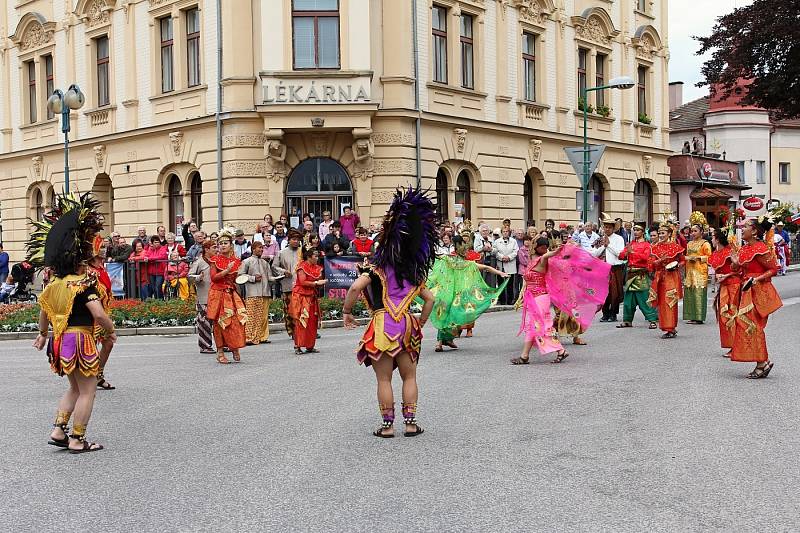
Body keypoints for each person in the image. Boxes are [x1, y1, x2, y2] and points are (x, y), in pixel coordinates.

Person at [343, 187, 436, 438]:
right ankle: (411, 424)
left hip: (382, 325)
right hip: (407, 325)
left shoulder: (374, 269)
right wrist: (421, 322)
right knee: (409, 376)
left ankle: (387, 427)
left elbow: (354, 287)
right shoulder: (414, 274)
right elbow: (430, 300)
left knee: (383, 380)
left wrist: (346, 311)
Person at [29, 192, 114, 453]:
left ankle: (58, 430)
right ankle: (77, 439)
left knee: (75, 388)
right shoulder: (83, 284)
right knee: (88, 391)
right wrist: (110, 330)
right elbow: (98, 313)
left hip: (59, 339)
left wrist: (43, 334)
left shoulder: (54, 284)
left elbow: (44, 310)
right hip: (79, 338)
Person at [427, 235, 510, 352]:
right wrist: (501, 273)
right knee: (455, 316)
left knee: (445, 316)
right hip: (458, 296)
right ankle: (445, 341)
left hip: (445, 293)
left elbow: (434, 262)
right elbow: (486, 267)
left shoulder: (447, 259)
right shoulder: (467, 264)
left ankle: (441, 342)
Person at [728, 217, 782, 378]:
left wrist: (756, 279)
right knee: (746, 324)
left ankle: (762, 363)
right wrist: (736, 263)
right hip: (745, 290)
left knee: (753, 325)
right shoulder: (744, 249)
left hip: (758, 291)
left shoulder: (761, 248)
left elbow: (773, 269)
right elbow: (737, 269)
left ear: (754, 231)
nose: (742, 229)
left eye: (745, 226)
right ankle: (763, 361)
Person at [511, 238, 570, 365]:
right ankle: (525, 355)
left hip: (540, 297)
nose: (543, 250)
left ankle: (559, 351)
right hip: (533, 298)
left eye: (545, 247)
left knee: (541, 326)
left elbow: (548, 255)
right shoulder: (531, 261)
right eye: (541, 247)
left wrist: (556, 251)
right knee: (533, 326)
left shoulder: (542, 259)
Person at [207, 229, 247, 364]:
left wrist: (242, 277)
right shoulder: (214, 260)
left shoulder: (236, 260)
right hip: (218, 294)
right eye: (221, 243)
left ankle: (234, 347)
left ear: (231, 244)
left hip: (231, 293)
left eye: (226, 243)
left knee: (235, 321)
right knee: (219, 323)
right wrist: (227, 270)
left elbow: (236, 278)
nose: (223, 245)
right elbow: (214, 278)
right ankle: (220, 352)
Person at [87, 236, 116, 391]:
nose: (105, 250)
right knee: (90, 346)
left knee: (109, 343)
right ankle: (88, 378)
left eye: (105, 247)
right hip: (91, 315)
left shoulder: (101, 268)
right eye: (101, 247)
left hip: (102, 312)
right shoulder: (88, 271)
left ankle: (98, 374)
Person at [617, 224, 659, 329]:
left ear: (643, 232)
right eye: (634, 230)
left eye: (638, 230)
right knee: (628, 300)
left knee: (644, 298)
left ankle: (652, 320)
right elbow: (621, 256)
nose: (635, 232)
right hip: (630, 274)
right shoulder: (631, 244)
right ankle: (627, 320)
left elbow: (646, 258)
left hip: (640, 274)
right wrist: (625, 252)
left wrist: (633, 252)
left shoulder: (646, 245)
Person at [647, 224, 685, 339]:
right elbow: (650, 264)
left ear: (669, 234)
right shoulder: (655, 247)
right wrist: (660, 261)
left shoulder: (675, 247)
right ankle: (666, 327)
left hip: (672, 277)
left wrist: (676, 265)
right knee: (662, 303)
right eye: (660, 233)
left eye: (663, 233)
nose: (661, 235)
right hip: (660, 277)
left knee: (670, 301)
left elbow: (683, 261)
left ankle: (671, 328)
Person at [238, 241, 278, 346]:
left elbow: (269, 277)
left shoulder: (265, 263)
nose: (261, 250)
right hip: (252, 292)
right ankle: (249, 337)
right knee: (251, 316)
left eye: (262, 248)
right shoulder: (247, 261)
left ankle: (262, 337)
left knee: (263, 317)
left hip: (265, 292)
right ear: (253, 249)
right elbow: (240, 276)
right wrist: (253, 278)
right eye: (259, 248)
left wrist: (279, 278)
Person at [708, 228, 739, 358]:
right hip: (724, 287)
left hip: (733, 286)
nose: (711, 240)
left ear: (718, 239)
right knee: (724, 316)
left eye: (713, 237)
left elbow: (740, 270)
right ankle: (732, 345)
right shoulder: (715, 253)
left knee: (731, 315)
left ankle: (736, 346)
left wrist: (727, 275)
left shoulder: (729, 253)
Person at [288, 246, 325, 354]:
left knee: (312, 321)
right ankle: (298, 346)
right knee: (302, 320)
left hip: (312, 296)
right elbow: (303, 282)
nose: (317, 258)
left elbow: (318, 279)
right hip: (301, 297)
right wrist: (316, 283)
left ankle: (310, 346)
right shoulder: (302, 267)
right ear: (309, 257)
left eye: (318, 256)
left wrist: (318, 282)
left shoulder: (317, 267)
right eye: (315, 256)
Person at [593, 214, 626, 322]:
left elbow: (620, 254)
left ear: (613, 228)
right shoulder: (600, 239)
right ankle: (605, 313)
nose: (607, 229)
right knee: (604, 292)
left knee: (615, 293)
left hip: (615, 268)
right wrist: (603, 245)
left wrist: (609, 245)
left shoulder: (619, 239)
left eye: (609, 227)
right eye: (605, 227)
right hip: (603, 269)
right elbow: (595, 253)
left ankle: (613, 313)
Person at [188, 240, 216, 354]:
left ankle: (222, 344)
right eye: (214, 247)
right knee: (204, 323)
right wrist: (199, 277)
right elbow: (189, 276)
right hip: (203, 297)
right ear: (207, 249)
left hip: (216, 296)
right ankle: (205, 346)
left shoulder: (216, 261)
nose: (216, 249)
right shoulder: (199, 262)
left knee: (219, 323)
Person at [277, 229, 303, 345]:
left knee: (303, 310)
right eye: (293, 239)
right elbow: (274, 267)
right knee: (290, 311)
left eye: (298, 240)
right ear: (289, 240)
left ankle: (303, 331)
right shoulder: (281, 253)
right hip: (288, 285)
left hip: (302, 286)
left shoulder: (302, 252)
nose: (296, 242)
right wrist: (283, 271)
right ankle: (292, 331)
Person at [683, 223, 712, 324]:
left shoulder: (705, 244)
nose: (693, 233)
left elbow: (710, 257)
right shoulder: (689, 243)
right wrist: (687, 258)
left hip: (700, 271)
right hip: (690, 270)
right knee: (690, 293)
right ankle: (691, 316)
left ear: (701, 232)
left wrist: (698, 258)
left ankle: (699, 317)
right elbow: (686, 255)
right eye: (692, 231)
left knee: (698, 294)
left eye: (695, 231)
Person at [493, 226, 519, 305]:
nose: (505, 233)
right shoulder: (497, 241)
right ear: (501, 232)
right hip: (501, 264)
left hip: (510, 264)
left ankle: (510, 300)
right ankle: (502, 300)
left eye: (507, 231)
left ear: (509, 232)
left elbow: (515, 251)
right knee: (501, 283)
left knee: (510, 284)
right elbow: (495, 251)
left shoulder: (513, 241)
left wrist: (509, 257)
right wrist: (502, 257)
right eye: (503, 231)